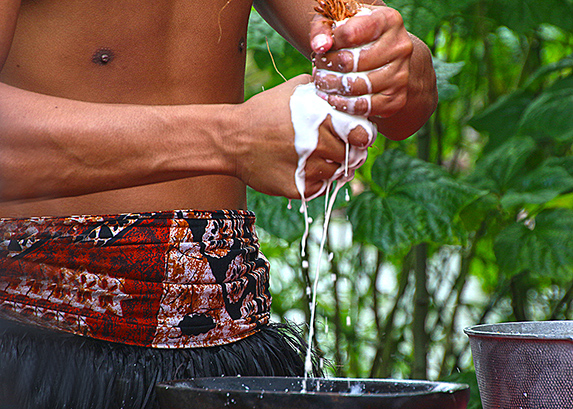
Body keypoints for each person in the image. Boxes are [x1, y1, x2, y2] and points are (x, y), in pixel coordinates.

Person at [0, 0, 437, 407]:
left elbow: (409, 103)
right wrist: (229, 138)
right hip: (39, 351)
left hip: (234, 350)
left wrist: (395, 60)